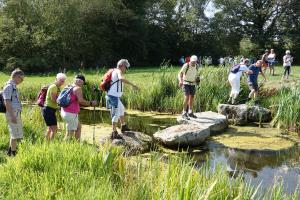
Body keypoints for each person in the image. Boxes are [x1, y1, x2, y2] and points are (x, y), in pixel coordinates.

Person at [106, 59, 139, 139]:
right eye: (126, 67)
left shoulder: (114, 71)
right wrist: (133, 85)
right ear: (121, 66)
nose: (126, 69)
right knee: (116, 113)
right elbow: (121, 79)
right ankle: (114, 132)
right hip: (113, 96)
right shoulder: (118, 71)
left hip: (113, 96)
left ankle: (123, 126)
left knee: (121, 109)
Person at [60, 75, 97, 140]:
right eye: (83, 83)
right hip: (71, 113)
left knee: (78, 127)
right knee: (69, 134)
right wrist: (91, 103)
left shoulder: (68, 86)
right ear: (80, 82)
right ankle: (65, 146)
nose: (82, 85)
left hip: (64, 111)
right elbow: (81, 101)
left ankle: (77, 142)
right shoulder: (78, 89)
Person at [3, 68, 25, 156]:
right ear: (16, 77)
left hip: (15, 112)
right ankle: (13, 154)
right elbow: (7, 102)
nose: (22, 81)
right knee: (15, 134)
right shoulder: (9, 86)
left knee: (15, 133)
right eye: (21, 79)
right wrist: (12, 116)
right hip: (12, 112)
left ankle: (9, 152)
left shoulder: (13, 86)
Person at [42, 73, 67, 140]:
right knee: (54, 129)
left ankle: (46, 142)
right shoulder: (54, 87)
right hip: (49, 109)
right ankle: (51, 144)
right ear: (56, 79)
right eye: (61, 80)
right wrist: (64, 104)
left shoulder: (57, 87)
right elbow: (54, 99)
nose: (62, 82)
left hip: (50, 109)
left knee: (50, 128)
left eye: (63, 81)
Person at [178, 55, 199, 119]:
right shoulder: (186, 65)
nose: (193, 63)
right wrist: (180, 81)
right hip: (185, 83)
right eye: (192, 62)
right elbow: (180, 73)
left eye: (194, 62)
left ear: (196, 61)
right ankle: (184, 112)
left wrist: (197, 80)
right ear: (190, 61)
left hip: (193, 84)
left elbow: (195, 75)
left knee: (192, 97)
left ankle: (190, 112)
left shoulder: (197, 66)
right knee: (186, 97)